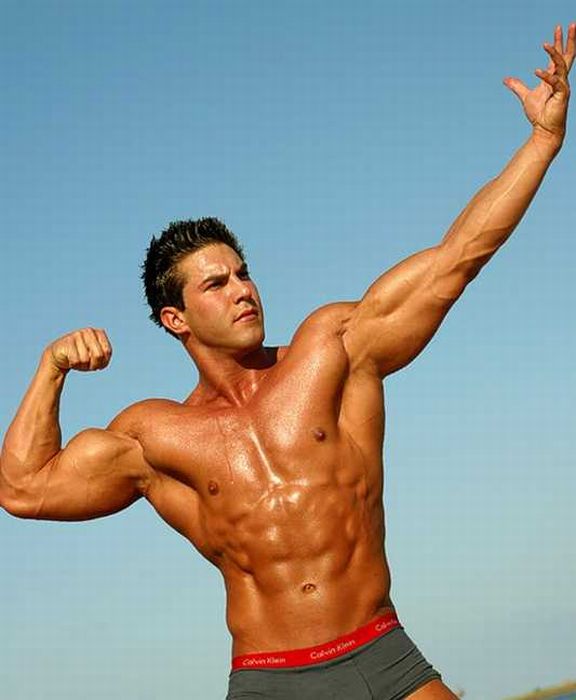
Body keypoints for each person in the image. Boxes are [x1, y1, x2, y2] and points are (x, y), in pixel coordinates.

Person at [1, 24, 573, 700]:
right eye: (216, 284)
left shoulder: (332, 350)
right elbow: (24, 489)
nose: (243, 290)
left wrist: (542, 142)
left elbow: (456, 260)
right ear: (175, 319)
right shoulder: (155, 436)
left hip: (383, 657)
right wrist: (51, 368)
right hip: (268, 680)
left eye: (243, 273)